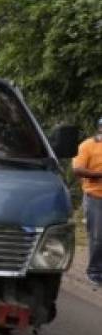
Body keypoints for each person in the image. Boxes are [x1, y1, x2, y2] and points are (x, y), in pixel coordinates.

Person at [72, 117, 102, 286]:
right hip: (95, 197)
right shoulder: (87, 145)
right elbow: (77, 169)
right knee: (98, 237)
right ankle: (95, 272)